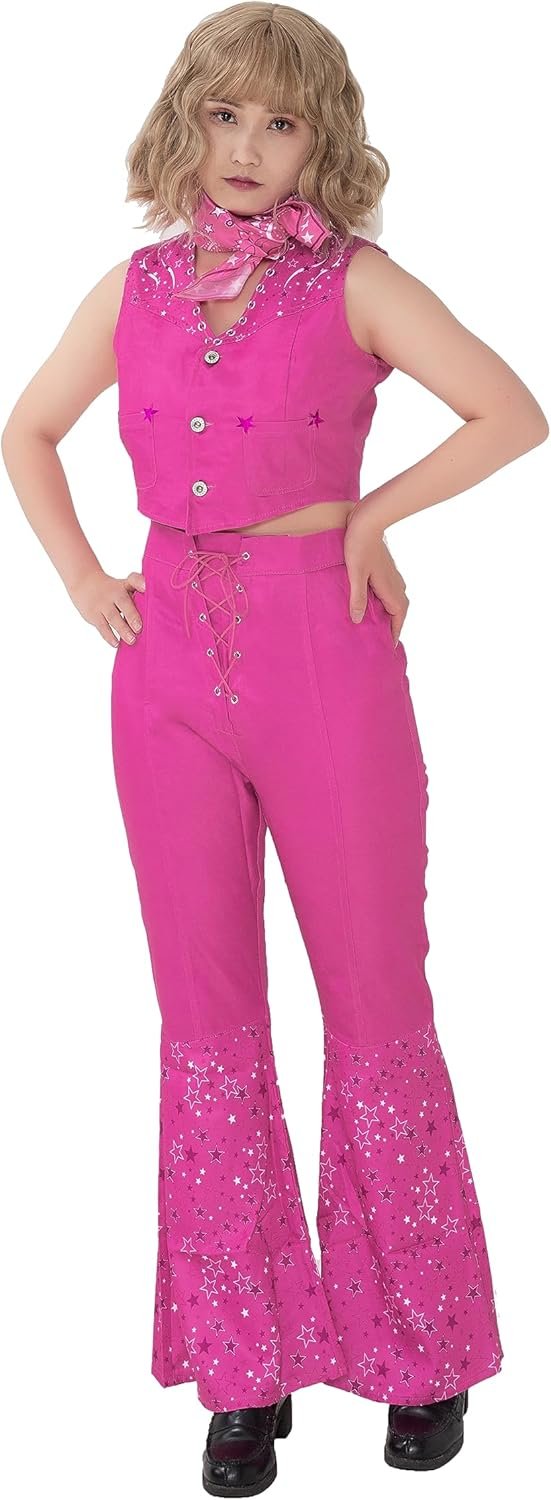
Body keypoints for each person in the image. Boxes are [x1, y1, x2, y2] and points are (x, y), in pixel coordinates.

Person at [2, 2, 548, 1489]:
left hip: (324, 651)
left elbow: (512, 410)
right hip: (165, 665)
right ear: (186, 123)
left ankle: (422, 1354)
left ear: (324, 140)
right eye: (224, 114)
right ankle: (244, 1373)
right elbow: (27, 430)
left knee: (374, 997)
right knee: (206, 1014)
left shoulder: (356, 281)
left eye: (282, 121)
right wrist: (85, 581)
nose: (248, 147)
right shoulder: (135, 287)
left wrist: (373, 518)